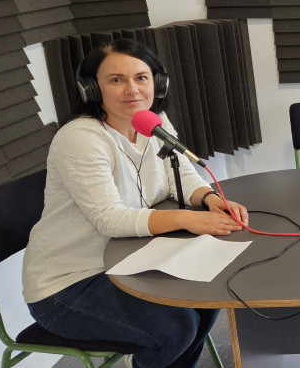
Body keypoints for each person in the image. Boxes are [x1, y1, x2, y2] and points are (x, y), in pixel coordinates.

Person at [23, 38, 250, 368]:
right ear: (91, 88)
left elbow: (181, 174)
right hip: (70, 283)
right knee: (175, 328)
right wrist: (188, 220)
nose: (132, 89)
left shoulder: (152, 121)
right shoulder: (81, 138)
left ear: (157, 83)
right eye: (116, 79)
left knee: (206, 298)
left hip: (130, 258)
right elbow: (108, 219)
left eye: (141, 77)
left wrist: (210, 199)